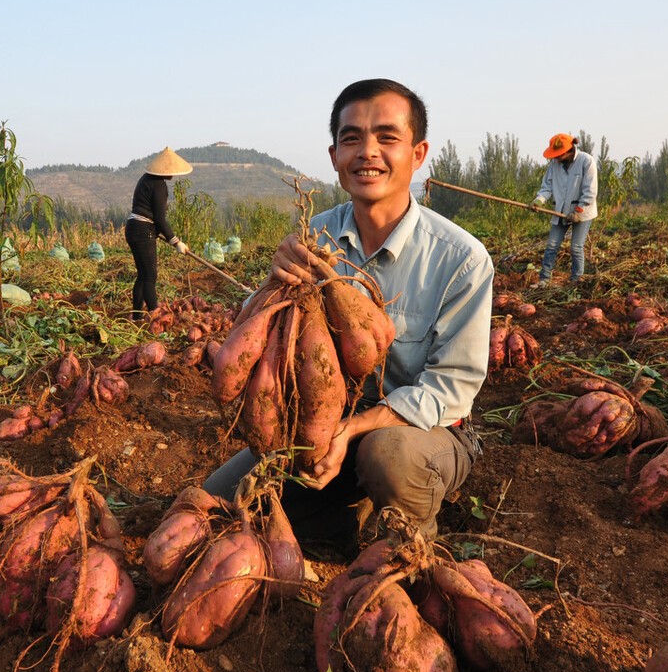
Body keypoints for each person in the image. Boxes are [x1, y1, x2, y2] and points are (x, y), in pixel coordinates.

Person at [203, 78, 494, 545]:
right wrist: (271, 286)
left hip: (421, 431)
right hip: (320, 427)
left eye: (387, 137)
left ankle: (408, 546)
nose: (367, 152)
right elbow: (255, 341)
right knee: (218, 508)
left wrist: (353, 429)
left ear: (418, 154)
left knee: (387, 457)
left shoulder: (461, 259)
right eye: (351, 138)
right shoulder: (314, 237)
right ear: (335, 155)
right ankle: (347, 512)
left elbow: (451, 389)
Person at [125, 147, 191, 319]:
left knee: (142, 275)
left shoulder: (145, 179)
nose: (172, 174)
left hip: (133, 227)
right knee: (150, 276)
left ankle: (137, 316)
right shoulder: (159, 185)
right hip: (143, 230)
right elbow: (160, 219)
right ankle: (156, 318)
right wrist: (176, 242)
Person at [531, 133, 598, 287]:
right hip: (560, 211)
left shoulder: (586, 161)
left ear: (568, 151)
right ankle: (544, 280)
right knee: (552, 245)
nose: (556, 158)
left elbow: (590, 191)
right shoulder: (554, 165)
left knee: (576, 247)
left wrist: (578, 210)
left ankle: (576, 281)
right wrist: (539, 200)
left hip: (582, 211)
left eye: (558, 155)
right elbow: (547, 186)